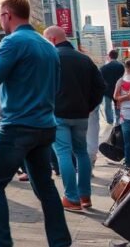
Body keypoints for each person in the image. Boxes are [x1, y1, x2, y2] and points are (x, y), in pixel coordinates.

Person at [0, 0, 71, 247]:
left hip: (17, 126)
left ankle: (2, 242)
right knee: (45, 187)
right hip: (44, 126)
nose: (0, 20)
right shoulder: (47, 45)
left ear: (7, 14)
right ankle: (61, 242)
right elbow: (56, 87)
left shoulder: (12, 42)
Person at [43, 26, 105, 211]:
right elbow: (101, 86)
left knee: (63, 153)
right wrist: (89, 106)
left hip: (58, 114)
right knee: (81, 153)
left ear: (52, 40)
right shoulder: (84, 59)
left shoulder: (50, 58)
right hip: (81, 114)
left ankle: (71, 197)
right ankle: (85, 196)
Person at [100, 49, 124, 126]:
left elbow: (100, 80)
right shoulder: (121, 66)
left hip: (107, 91)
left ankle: (109, 122)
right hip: (118, 90)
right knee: (118, 106)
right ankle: (118, 122)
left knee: (108, 106)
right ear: (117, 56)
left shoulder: (103, 68)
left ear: (109, 56)